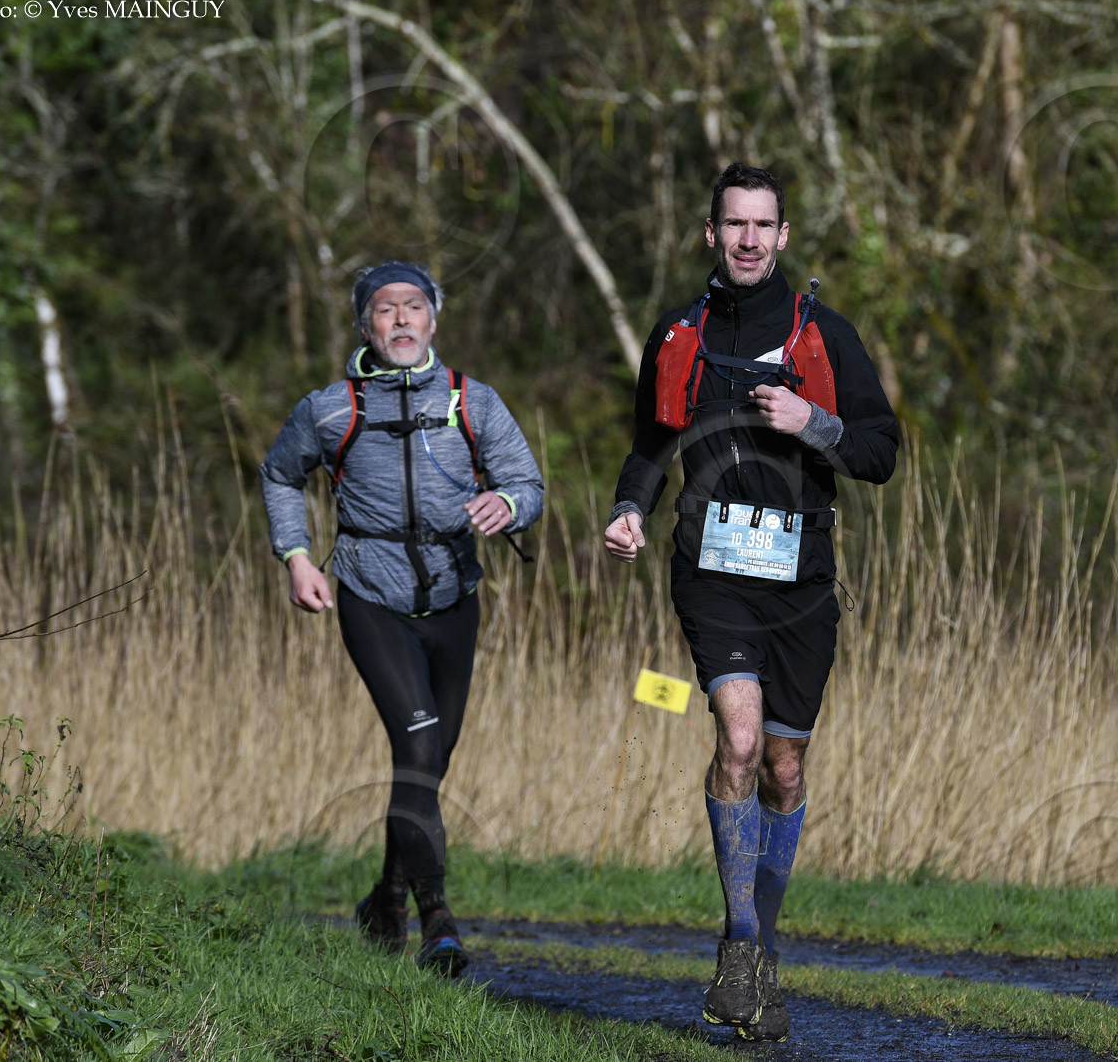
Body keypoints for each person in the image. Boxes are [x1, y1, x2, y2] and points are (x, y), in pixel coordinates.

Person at [604, 163, 898, 1040]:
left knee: (783, 765)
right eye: (734, 223)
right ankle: (739, 941)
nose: (747, 239)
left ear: (782, 236)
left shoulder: (824, 334)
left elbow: (882, 452)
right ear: (711, 233)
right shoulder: (679, 333)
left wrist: (812, 423)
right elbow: (650, 444)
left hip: (802, 581)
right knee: (737, 737)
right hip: (713, 571)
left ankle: (763, 946)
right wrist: (629, 507)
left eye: (762, 225)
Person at [261, 261, 543, 975]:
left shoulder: (472, 401)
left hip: (454, 600)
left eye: (413, 306)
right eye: (385, 309)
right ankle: (437, 919)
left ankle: (384, 899)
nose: (401, 320)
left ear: (433, 320)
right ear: (366, 326)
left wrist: (508, 504)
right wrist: (297, 556)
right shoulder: (330, 409)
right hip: (371, 597)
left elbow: (527, 482)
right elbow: (280, 474)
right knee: (418, 750)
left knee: (429, 761)